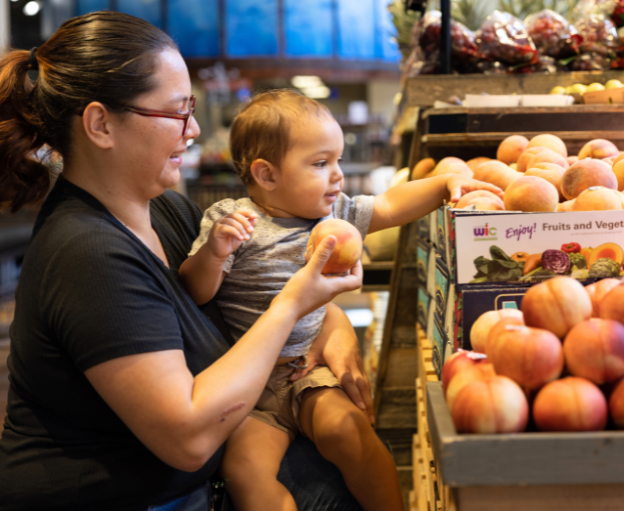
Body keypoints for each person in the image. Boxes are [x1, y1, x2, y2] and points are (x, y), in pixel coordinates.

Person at [0, 12, 370, 511]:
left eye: (190, 108)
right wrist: (292, 305)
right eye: (176, 112)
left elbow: (254, 280)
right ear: (101, 124)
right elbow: (187, 439)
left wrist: (333, 328)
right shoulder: (87, 256)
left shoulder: (166, 209)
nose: (193, 129)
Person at [179, 91, 504, 511]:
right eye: (320, 164)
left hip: (307, 373)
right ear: (266, 174)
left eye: (336, 160)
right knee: (246, 473)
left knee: (351, 435)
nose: (337, 175)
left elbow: (390, 204)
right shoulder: (233, 221)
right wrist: (214, 253)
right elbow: (195, 291)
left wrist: (444, 185)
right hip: (251, 389)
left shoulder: (335, 217)